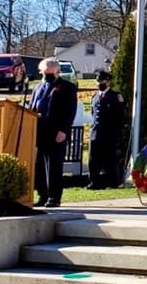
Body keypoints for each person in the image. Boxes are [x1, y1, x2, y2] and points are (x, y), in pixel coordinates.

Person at [30, 57, 78, 207]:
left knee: (53, 166)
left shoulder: (67, 87)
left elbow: (70, 111)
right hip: (38, 132)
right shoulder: (37, 88)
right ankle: (42, 195)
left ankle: (54, 197)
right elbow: (32, 107)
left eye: (50, 73)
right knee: (39, 166)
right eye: (45, 73)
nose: (47, 76)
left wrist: (64, 130)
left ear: (57, 72)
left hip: (56, 132)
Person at [87, 70, 125, 190]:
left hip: (109, 133)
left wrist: (117, 133)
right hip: (96, 132)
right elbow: (94, 114)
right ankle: (94, 181)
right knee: (93, 159)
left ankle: (112, 182)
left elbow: (120, 116)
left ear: (108, 82)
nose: (99, 83)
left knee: (110, 159)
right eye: (98, 81)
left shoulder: (115, 97)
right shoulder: (95, 97)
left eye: (102, 81)